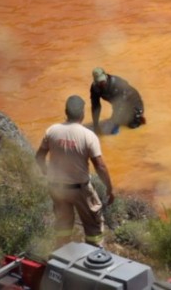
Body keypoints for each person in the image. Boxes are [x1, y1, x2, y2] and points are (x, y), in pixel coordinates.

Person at [35, 95, 115, 247]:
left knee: (63, 225)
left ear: (66, 111)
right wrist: (110, 188)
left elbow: (39, 156)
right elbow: (100, 166)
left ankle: (61, 254)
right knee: (93, 226)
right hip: (80, 190)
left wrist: (46, 172)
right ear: (82, 114)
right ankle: (95, 257)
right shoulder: (88, 136)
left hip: (57, 188)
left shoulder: (52, 131)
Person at [90, 67, 145, 134]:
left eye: (103, 81)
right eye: (99, 82)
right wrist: (95, 124)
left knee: (132, 125)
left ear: (106, 76)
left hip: (134, 102)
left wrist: (115, 124)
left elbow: (120, 106)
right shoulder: (95, 88)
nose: (101, 84)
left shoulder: (117, 84)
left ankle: (138, 116)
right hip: (120, 105)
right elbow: (95, 106)